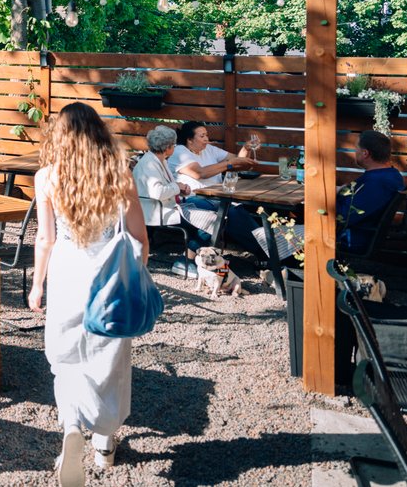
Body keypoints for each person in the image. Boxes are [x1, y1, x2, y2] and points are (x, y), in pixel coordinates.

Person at [28, 103, 149, 487]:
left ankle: (71, 427)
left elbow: (45, 239)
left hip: (66, 273)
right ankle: (104, 443)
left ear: (59, 136)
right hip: (109, 277)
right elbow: (140, 240)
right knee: (108, 359)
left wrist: (37, 284)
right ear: (99, 132)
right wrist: (134, 277)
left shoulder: (45, 177)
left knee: (66, 357)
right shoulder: (120, 173)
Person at [275, 131, 405, 255]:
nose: (355, 152)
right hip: (357, 232)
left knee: (265, 233)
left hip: (348, 237)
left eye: (356, 148)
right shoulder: (390, 175)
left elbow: (344, 216)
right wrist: (340, 190)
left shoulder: (377, 182)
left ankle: (276, 267)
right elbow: (360, 200)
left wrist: (327, 193)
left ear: (365, 153)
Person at [168, 120, 266, 259]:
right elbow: (200, 173)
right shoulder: (180, 152)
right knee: (224, 215)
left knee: (236, 211)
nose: (206, 139)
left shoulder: (209, 149)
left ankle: (265, 249)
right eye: (202, 136)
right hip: (190, 200)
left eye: (206, 135)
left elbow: (237, 161)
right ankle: (186, 257)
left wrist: (246, 149)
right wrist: (230, 164)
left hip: (216, 198)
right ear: (189, 140)